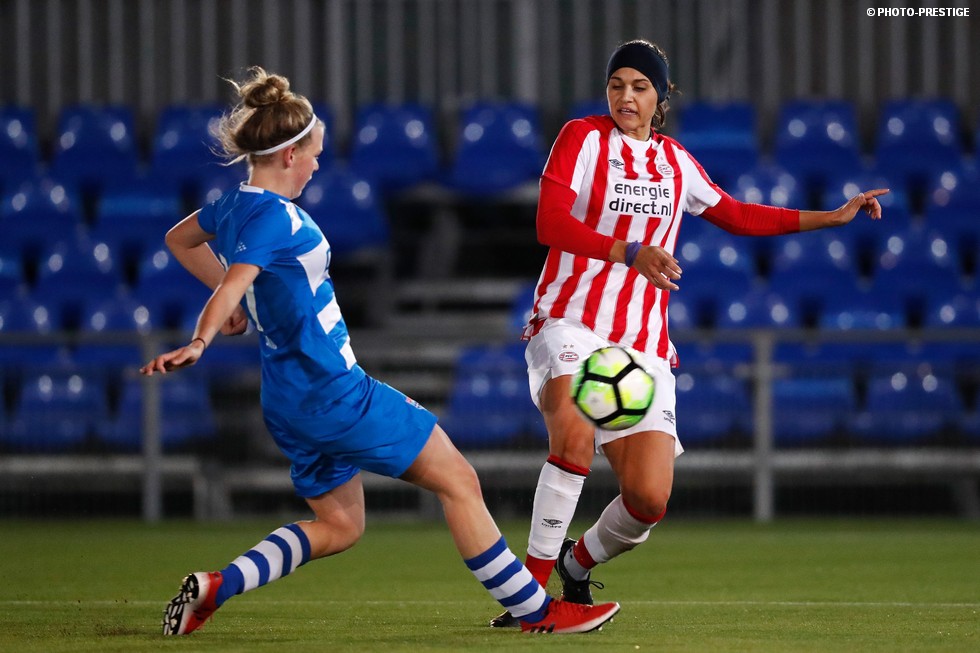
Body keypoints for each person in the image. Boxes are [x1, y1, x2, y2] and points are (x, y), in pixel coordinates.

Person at [141, 66, 620, 636]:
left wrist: (240, 313)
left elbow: (179, 239)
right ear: (289, 155)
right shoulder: (274, 217)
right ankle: (536, 611)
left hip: (289, 401)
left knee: (340, 526)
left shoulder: (233, 206)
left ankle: (216, 587)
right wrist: (204, 335)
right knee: (459, 480)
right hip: (334, 392)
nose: (317, 166)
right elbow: (232, 282)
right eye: (313, 156)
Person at [490, 40, 887, 628]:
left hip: (642, 346)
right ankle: (529, 601)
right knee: (572, 434)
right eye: (617, 84)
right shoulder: (582, 137)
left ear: (661, 97)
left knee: (648, 499)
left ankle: (576, 564)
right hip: (571, 321)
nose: (626, 96)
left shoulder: (675, 162)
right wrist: (629, 251)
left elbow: (738, 214)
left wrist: (830, 217)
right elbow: (550, 223)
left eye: (640, 86)